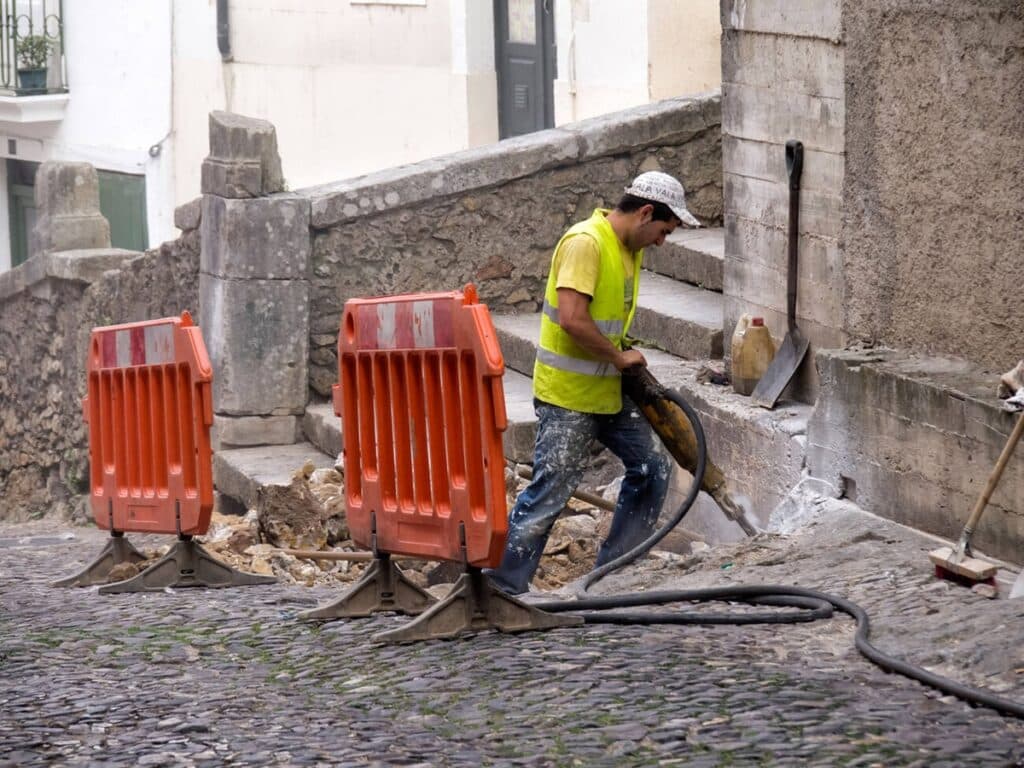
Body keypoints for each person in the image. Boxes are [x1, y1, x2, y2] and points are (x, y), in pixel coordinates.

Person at [485, 171, 702, 595]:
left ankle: (610, 578)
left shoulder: (627, 248)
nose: (662, 241)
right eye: (663, 230)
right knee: (553, 489)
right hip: (569, 395)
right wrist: (619, 356)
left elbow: (607, 317)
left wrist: (624, 357)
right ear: (644, 213)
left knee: (653, 467)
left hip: (607, 390)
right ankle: (503, 589)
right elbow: (572, 319)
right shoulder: (586, 242)